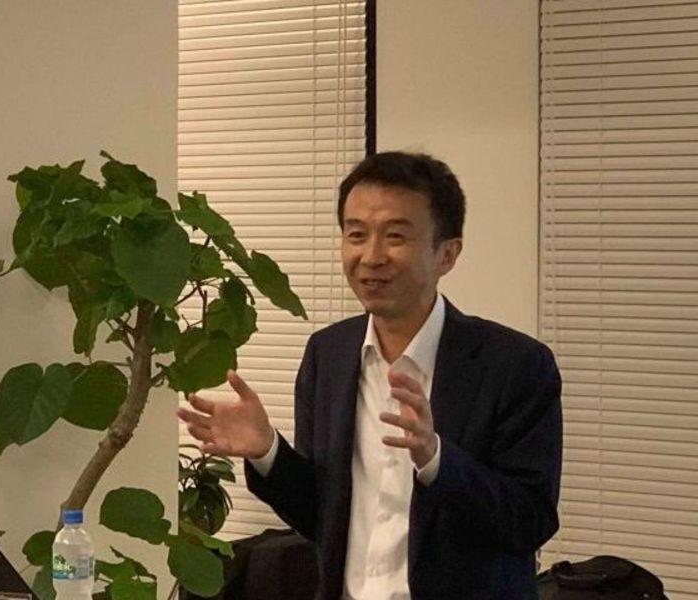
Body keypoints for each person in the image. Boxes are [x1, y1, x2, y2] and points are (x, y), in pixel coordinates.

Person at [178, 151, 563, 600]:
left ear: (447, 254)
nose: (371, 256)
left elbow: (530, 521)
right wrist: (268, 451)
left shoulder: (515, 365)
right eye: (356, 234)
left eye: (395, 236)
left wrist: (437, 460)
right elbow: (322, 516)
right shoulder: (328, 354)